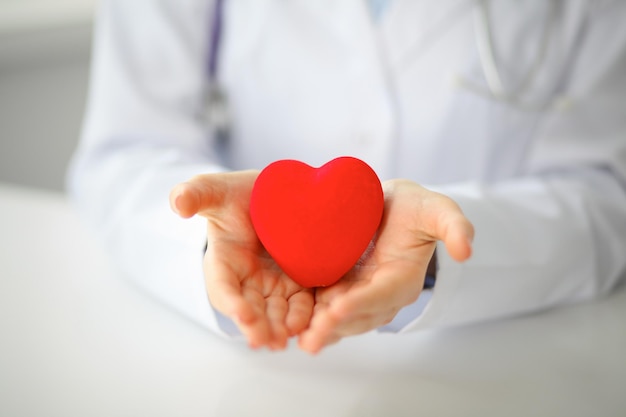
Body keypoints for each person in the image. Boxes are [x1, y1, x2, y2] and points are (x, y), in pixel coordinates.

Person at [68, 0, 626, 354]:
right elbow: (124, 149)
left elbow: (606, 193)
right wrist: (210, 236)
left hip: (506, 356)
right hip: (243, 372)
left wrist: (435, 255)